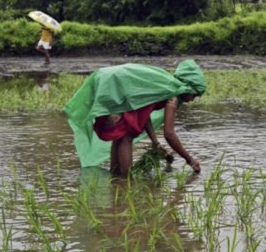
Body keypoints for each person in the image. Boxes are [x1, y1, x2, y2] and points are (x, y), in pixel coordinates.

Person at [64, 59, 207, 177]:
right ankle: (126, 182)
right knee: (127, 136)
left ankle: (116, 180)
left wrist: (155, 143)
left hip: (109, 82)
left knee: (119, 136)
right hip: (114, 86)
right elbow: (169, 134)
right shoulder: (173, 96)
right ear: (188, 88)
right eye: (194, 95)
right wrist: (190, 159)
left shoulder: (165, 84)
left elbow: (144, 114)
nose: (192, 99)